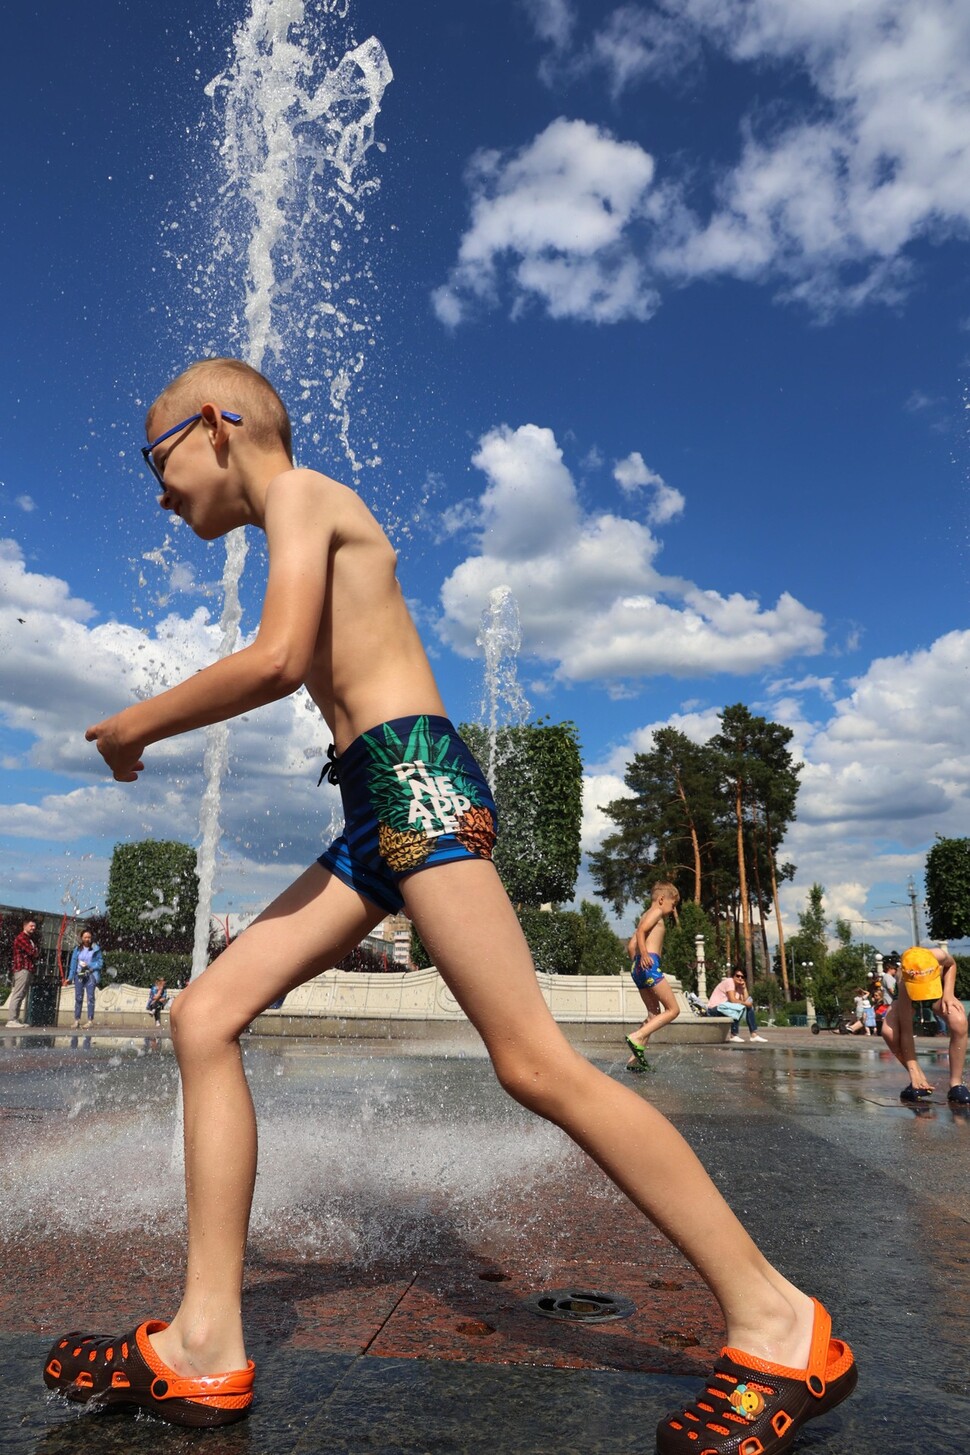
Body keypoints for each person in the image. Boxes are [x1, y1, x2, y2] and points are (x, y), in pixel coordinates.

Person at [43, 359, 856, 1449]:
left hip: (417, 782)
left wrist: (137, 724)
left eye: (156, 458)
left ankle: (782, 1319)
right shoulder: (302, 507)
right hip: (379, 804)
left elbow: (279, 658)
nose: (157, 490)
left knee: (533, 1063)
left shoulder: (304, 494)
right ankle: (203, 1342)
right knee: (202, 1016)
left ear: (214, 426)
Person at [881, 945, 969, 1107]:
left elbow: (952, 965)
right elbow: (906, 1032)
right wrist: (913, 1068)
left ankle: (956, 1084)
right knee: (889, 1032)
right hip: (909, 995)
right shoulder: (903, 983)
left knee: (959, 1021)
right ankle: (918, 1078)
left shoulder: (938, 955)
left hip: (937, 992)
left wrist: (949, 993)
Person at [624, 882, 681, 1071]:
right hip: (650, 965)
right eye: (673, 905)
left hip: (639, 967)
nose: (673, 909)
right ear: (662, 900)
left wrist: (638, 962)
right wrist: (647, 956)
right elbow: (640, 933)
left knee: (653, 1014)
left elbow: (631, 946)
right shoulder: (656, 913)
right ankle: (637, 1037)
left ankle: (635, 1059)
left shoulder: (644, 916)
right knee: (673, 1010)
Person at [707, 968, 768, 1044]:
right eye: (738, 976)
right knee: (737, 1007)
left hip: (725, 1008)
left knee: (748, 1007)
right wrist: (746, 1003)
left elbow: (747, 1002)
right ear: (733, 976)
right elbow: (733, 1000)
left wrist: (744, 988)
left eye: (742, 977)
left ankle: (753, 1034)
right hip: (713, 1009)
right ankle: (733, 1035)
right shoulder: (729, 982)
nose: (740, 978)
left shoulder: (739, 987)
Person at [5, 917, 38, 1027]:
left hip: (27, 968)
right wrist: (35, 951)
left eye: (34, 926)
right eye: (31, 926)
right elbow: (32, 952)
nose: (34, 928)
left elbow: (35, 952)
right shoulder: (21, 938)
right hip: (22, 968)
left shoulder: (29, 939)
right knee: (18, 993)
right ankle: (12, 1019)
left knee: (21, 994)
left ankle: (15, 1019)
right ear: (25, 926)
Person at [68, 930, 103, 1029]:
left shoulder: (95, 949)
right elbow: (73, 964)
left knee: (90, 997)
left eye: (89, 937)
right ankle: (76, 1020)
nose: (87, 939)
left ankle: (90, 1020)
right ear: (81, 938)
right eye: (85, 937)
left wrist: (90, 965)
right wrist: (70, 977)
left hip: (90, 974)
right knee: (78, 997)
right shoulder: (77, 949)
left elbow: (100, 963)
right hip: (79, 974)